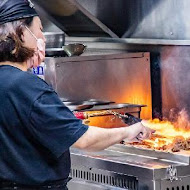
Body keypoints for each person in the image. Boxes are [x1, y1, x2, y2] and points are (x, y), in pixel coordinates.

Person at [0, 0, 154, 189]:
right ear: (22, 34)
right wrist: (129, 131)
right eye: (39, 30)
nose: (43, 38)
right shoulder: (28, 87)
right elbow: (83, 139)